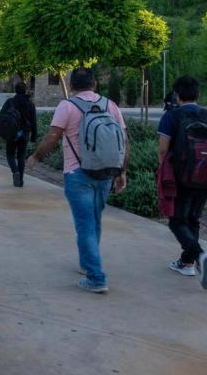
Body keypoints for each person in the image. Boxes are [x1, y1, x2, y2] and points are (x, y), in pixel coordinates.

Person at [27, 68, 128, 294]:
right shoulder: (110, 105)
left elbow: (53, 136)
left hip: (77, 173)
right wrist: (122, 171)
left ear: (72, 85)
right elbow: (124, 140)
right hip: (106, 173)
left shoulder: (67, 106)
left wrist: (36, 156)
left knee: (85, 224)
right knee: (94, 219)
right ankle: (87, 262)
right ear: (94, 84)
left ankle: (96, 277)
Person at [157, 76, 207, 290]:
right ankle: (187, 263)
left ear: (177, 95)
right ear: (198, 94)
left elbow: (163, 150)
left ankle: (199, 256)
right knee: (193, 219)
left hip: (181, 176)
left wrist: (164, 170)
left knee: (176, 221)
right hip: (206, 174)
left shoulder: (171, 116)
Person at [0, 82, 37, 187]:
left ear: (15, 90)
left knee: (10, 155)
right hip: (25, 133)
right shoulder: (30, 104)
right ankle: (20, 180)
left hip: (12, 133)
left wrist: (1, 132)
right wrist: (34, 137)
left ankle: (15, 171)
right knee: (21, 156)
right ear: (25, 90)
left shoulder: (10, 102)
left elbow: (2, 117)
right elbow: (34, 121)